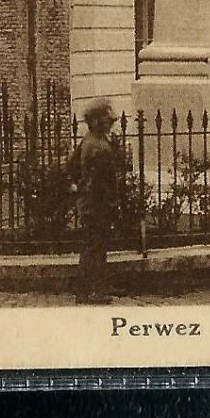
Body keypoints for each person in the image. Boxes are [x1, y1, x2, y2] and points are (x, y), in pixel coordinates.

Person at [67, 98, 122, 305]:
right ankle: (93, 291)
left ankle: (87, 290)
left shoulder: (88, 140)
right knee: (96, 249)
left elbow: (71, 166)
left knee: (91, 247)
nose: (111, 123)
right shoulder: (99, 147)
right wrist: (112, 206)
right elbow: (103, 184)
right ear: (98, 121)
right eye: (107, 120)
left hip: (88, 204)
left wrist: (78, 187)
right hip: (98, 206)